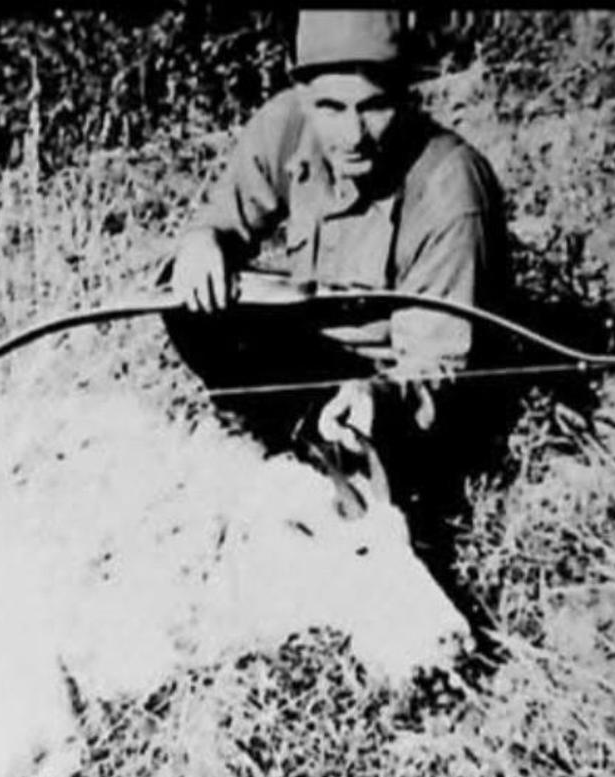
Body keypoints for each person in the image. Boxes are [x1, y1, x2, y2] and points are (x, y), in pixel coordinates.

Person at [162, 9, 514, 625]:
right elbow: (225, 218)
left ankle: (348, 482)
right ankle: (309, 447)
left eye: (372, 107)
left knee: (390, 478)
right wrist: (204, 241)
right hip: (319, 356)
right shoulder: (287, 123)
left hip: (404, 394)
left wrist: (380, 395)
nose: (351, 134)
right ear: (302, 92)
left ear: (407, 96)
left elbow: (443, 367)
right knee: (185, 294)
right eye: (330, 107)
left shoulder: (450, 188)